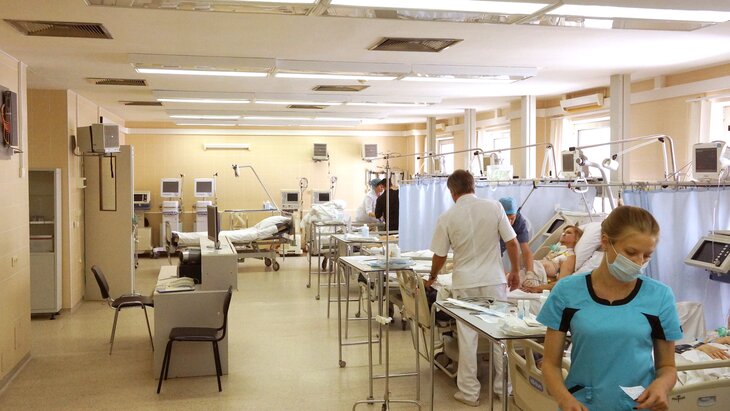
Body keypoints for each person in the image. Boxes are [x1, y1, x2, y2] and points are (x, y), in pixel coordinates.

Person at [537, 205, 682, 411]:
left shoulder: (659, 296)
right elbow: (550, 364)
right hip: (583, 404)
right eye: (631, 252)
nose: (639, 262)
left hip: (637, 404)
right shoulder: (567, 291)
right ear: (605, 242)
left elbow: (667, 367)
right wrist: (564, 399)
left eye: (647, 256)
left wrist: (661, 386)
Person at [425, 170, 521, 407]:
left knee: (468, 338)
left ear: (452, 192)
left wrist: (433, 276)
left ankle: (469, 392)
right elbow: (511, 242)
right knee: (499, 334)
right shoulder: (495, 207)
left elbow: (440, 255)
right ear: (473, 186)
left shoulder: (447, 217)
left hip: (465, 282)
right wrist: (515, 271)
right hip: (493, 280)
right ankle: (503, 389)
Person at [520, 225, 583, 293]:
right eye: (563, 232)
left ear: (576, 239)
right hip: (528, 274)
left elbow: (561, 282)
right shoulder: (556, 251)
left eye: (568, 233)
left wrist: (536, 288)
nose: (563, 234)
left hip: (535, 281)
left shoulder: (569, 257)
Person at [498, 197, 534, 274]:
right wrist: (505, 275)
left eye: (512, 218)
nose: (509, 222)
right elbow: (493, 257)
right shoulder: (492, 221)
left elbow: (526, 251)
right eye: (506, 219)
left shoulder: (519, 222)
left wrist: (530, 273)